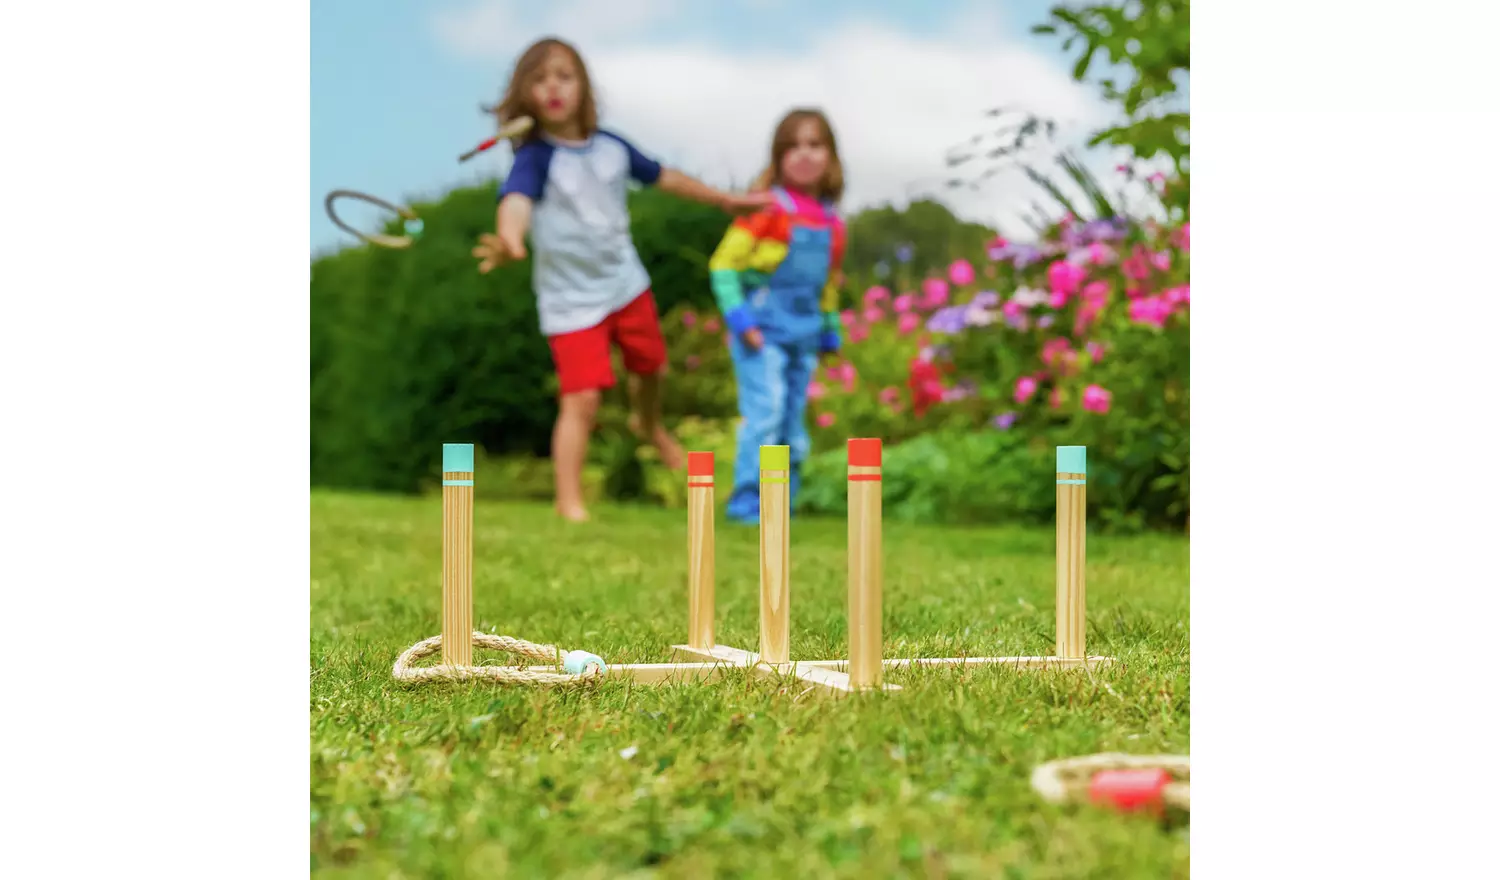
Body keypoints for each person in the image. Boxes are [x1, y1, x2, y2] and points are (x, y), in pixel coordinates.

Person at [472, 37, 772, 522]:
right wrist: (510, 239)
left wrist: (725, 200)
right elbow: (516, 201)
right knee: (582, 399)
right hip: (570, 301)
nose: (553, 88)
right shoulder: (535, 157)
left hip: (625, 284)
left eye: (564, 77)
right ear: (524, 93)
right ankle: (569, 501)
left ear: (583, 88)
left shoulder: (612, 147)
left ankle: (648, 424)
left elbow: (666, 177)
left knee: (652, 368)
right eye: (540, 79)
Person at [706, 108, 848, 525]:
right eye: (793, 146)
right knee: (766, 412)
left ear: (831, 155)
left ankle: (782, 503)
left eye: (814, 145)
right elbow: (723, 266)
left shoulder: (832, 222)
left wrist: (830, 330)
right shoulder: (766, 210)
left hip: (805, 333)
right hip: (761, 331)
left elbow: (828, 282)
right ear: (778, 156)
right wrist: (741, 321)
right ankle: (748, 503)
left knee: (792, 421)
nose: (804, 154)